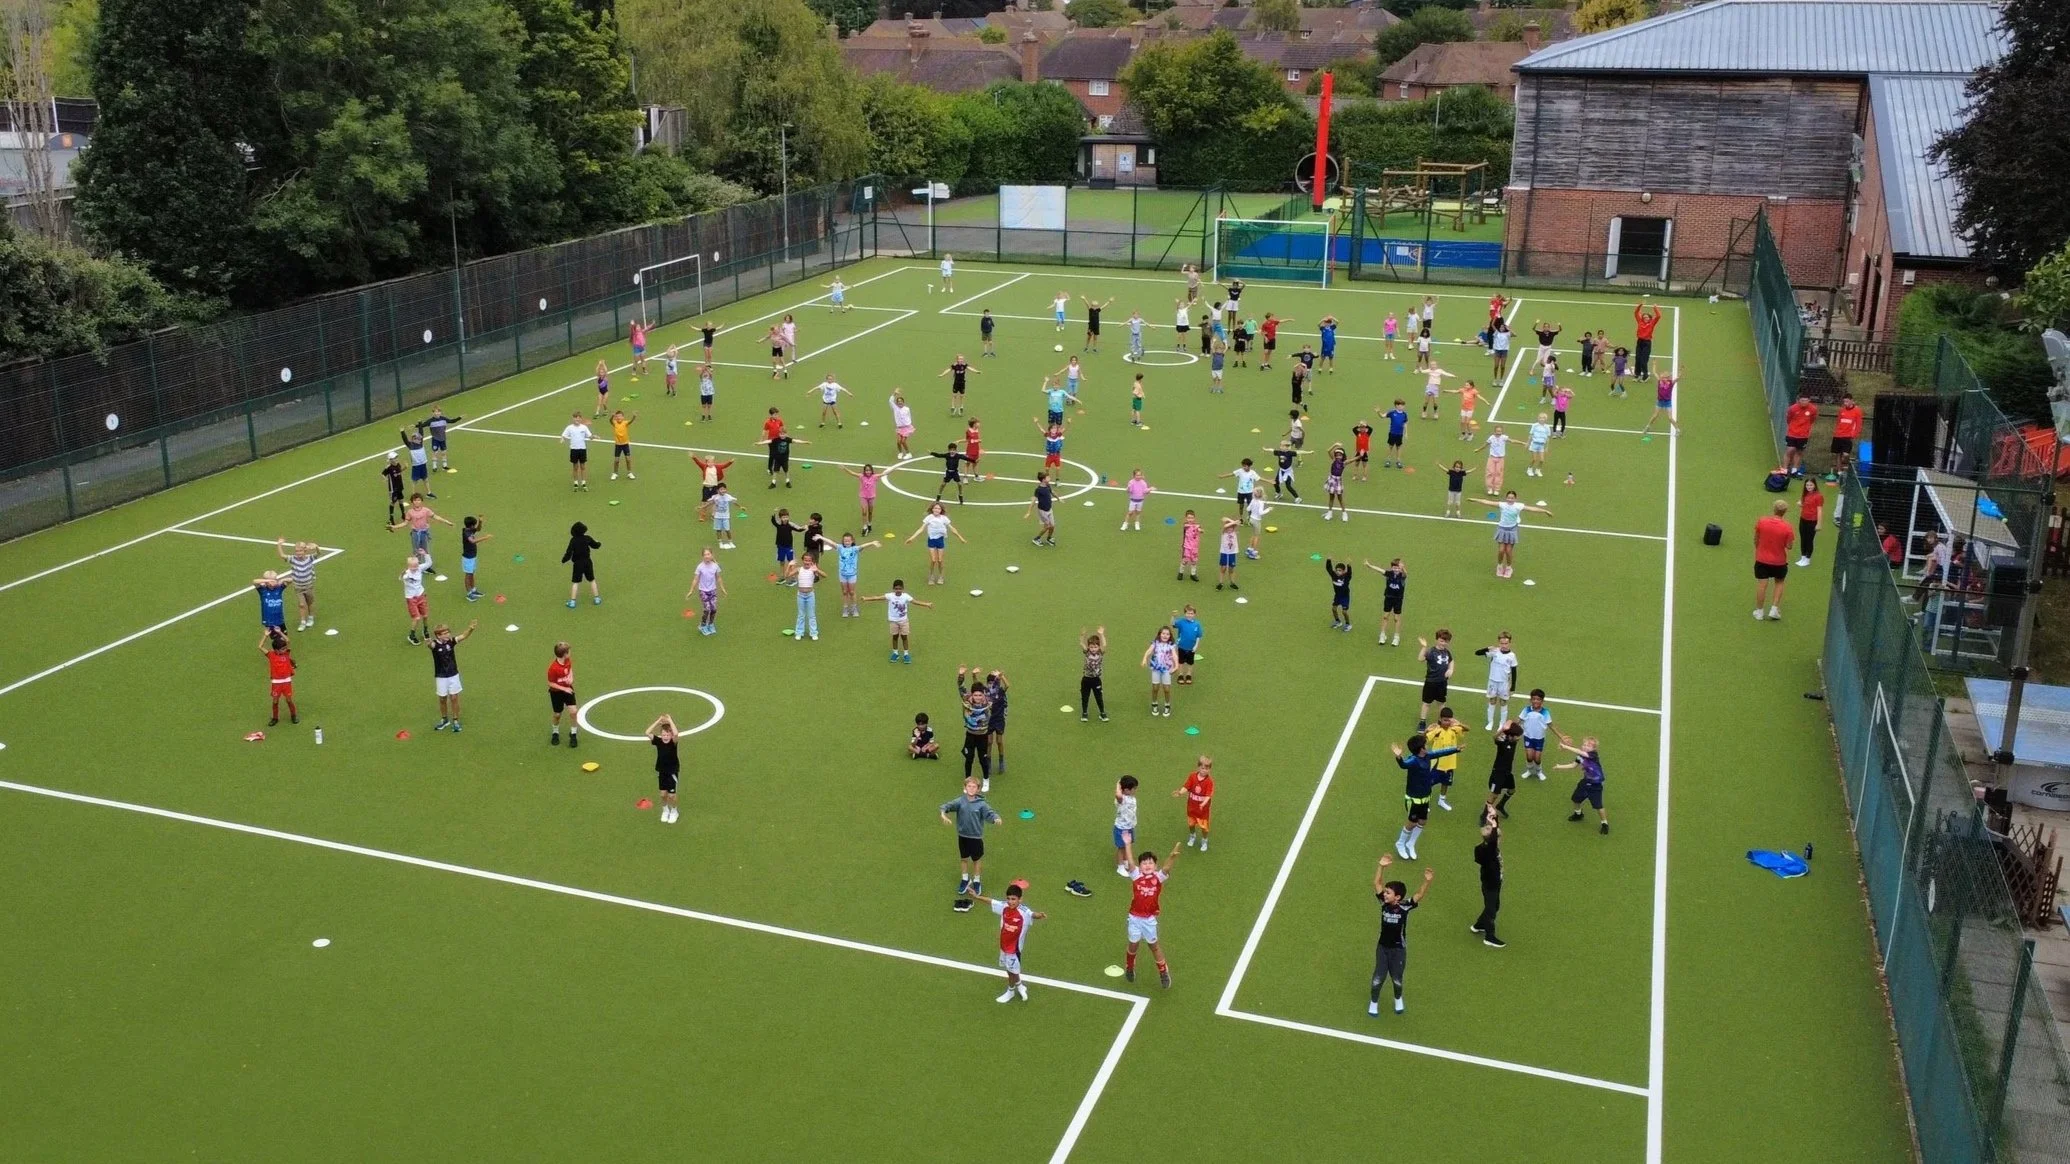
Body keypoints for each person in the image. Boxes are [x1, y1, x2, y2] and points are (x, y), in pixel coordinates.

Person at [1369, 853, 1434, 1015]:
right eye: (1385, 892)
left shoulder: (1405, 907)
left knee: (1397, 980)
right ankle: (1373, 1002)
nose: (1385, 894)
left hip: (1398, 950)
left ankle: (1398, 999)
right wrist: (1381, 867)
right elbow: (1377, 883)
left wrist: (1426, 881)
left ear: (1397, 897)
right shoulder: (1383, 904)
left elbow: (1418, 896)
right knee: (1378, 979)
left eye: (1388, 893)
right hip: (1383, 947)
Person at [970, 882, 1044, 1004]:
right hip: (1004, 946)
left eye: (1013, 899)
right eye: (1008, 899)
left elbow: (1032, 914)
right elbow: (992, 901)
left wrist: (1039, 915)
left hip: (1014, 950)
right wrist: (977, 897)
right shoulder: (1004, 907)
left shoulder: (1024, 912)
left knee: (1011, 970)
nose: (1010, 902)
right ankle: (1020, 985)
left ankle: (1010, 991)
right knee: (1010, 969)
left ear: (1020, 899)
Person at [1388, 733, 1460, 860]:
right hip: (1414, 798)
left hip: (1426, 796)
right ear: (1420, 748)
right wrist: (1399, 757)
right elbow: (1403, 765)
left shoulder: (1427, 756)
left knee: (1422, 821)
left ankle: (1411, 843)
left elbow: (1441, 753)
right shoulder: (1413, 760)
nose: (1427, 746)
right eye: (1425, 745)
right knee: (1412, 822)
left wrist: (1456, 749)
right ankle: (1400, 843)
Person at [1124, 843, 1182, 988]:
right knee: (1133, 944)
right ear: (1140, 865)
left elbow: (1166, 868)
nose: (1147, 865)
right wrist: (1127, 845)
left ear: (1155, 866)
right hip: (1134, 918)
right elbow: (1130, 863)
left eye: (1150, 862)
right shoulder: (1136, 875)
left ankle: (1163, 972)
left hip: (1149, 920)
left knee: (1154, 946)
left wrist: (1171, 857)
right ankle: (1130, 967)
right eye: (1144, 862)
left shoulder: (1158, 878)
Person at [941, 777, 1004, 896]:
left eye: (974, 787)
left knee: (976, 860)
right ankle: (965, 879)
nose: (971, 788)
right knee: (964, 859)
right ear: (965, 788)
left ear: (978, 789)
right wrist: (943, 814)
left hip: (976, 838)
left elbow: (990, 814)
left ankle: (976, 880)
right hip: (962, 836)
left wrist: (996, 818)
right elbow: (946, 806)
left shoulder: (981, 804)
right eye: (969, 786)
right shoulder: (960, 801)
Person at [1478, 491, 1552, 580]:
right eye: (1508, 497)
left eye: (1512, 498)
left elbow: (1531, 509)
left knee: (1508, 551)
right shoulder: (1502, 505)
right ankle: (1499, 566)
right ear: (1506, 498)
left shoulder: (1518, 506)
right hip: (1502, 529)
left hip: (1512, 530)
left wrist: (1545, 511)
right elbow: (1488, 502)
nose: (1510, 499)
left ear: (1515, 499)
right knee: (1501, 550)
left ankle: (1509, 568)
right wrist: (1475, 500)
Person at [425, 619, 479, 732]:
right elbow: (431, 645)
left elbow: (463, 636)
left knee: (454, 698)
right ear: (438, 636)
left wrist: (471, 629)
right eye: (444, 633)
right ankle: (444, 720)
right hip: (440, 676)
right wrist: (429, 642)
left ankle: (455, 721)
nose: (447, 635)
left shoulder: (451, 642)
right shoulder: (435, 645)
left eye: (447, 632)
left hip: (453, 674)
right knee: (442, 699)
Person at [863, 578, 933, 664]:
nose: (898, 590)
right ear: (893, 589)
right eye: (896, 588)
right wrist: (866, 598)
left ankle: (906, 654)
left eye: (900, 588)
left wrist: (926, 604)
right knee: (895, 637)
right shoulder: (890, 596)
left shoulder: (906, 596)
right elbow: (877, 598)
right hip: (893, 621)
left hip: (904, 621)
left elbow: (915, 602)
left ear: (903, 589)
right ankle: (895, 653)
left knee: (904, 637)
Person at [1552, 731, 1610, 834]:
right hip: (1585, 782)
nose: (1585, 746)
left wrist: (1565, 747)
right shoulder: (1580, 756)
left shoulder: (1593, 755)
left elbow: (1582, 752)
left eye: (1589, 745)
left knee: (1598, 806)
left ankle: (1604, 824)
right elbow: (1573, 765)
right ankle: (1578, 814)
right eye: (1584, 744)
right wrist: (1559, 766)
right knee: (1575, 799)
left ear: (1594, 749)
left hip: (1596, 786)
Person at [905, 502, 966, 586]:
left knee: (940, 560)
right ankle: (931, 576)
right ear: (932, 509)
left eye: (939, 508)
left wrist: (960, 537)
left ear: (941, 510)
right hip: (931, 540)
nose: (937, 510)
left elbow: (952, 529)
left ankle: (941, 576)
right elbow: (921, 529)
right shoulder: (929, 518)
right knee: (933, 560)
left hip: (940, 540)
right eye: (935, 508)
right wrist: (912, 538)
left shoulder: (944, 518)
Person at [954, 666, 995, 789]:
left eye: (980, 695)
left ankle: (986, 780)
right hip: (970, 735)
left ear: (983, 695)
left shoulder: (988, 701)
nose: (978, 697)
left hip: (983, 735)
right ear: (972, 694)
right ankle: (967, 782)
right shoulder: (967, 700)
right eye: (976, 695)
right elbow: (961, 687)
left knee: (983, 759)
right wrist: (961, 675)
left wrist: (997, 677)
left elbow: (994, 689)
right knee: (969, 758)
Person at [1753, 499, 1795, 620]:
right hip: (1779, 561)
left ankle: (1759, 611)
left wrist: (1759, 550)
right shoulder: (1787, 527)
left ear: (1774, 509)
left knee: (1762, 584)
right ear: (1785, 512)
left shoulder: (1762, 521)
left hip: (1762, 559)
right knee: (1779, 582)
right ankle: (1774, 609)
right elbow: (1789, 546)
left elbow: (1756, 538)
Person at [389, 492, 453, 570]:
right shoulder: (410, 512)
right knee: (416, 550)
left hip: (424, 533)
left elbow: (435, 517)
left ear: (421, 501)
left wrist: (446, 522)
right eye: (415, 500)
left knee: (425, 550)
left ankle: (427, 567)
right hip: (415, 533)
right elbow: (405, 523)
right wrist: (394, 527)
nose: (417, 502)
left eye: (418, 500)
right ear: (412, 502)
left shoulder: (426, 510)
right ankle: (416, 566)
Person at [1471, 816, 1505, 948]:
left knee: (1494, 905)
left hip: (1490, 881)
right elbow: (1494, 838)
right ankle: (1489, 937)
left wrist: (1493, 817)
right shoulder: (1490, 850)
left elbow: (1493, 836)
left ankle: (1479, 925)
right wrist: (1494, 824)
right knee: (1492, 909)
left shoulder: (1480, 848)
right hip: (1491, 883)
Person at [1475, 631, 1519, 731]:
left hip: (1504, 683)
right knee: (1492, 700)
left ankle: (1502, 724)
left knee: (1503, 702)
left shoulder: (1512, 656)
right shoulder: (1494, 652)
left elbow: (1514, 672)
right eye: (1501, 643)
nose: (1503, 645)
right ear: (1499, 643)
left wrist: (1513, 687)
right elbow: (1477, 653)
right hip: (1493, 681)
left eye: (1506, 643)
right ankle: (1490, 722)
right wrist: (1487, 648)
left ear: (1510, 643)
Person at [1427, 709, 1468, 812]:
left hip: (1450, 763)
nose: (1447, 722)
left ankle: (1441, 800)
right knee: (1428, 783)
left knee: (1446, 783)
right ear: (1440, 719)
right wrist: (1427, 730)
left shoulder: (1454, 729)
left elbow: (1467, 729)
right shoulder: (1436, 731)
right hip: (1437, 764)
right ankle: (1425, 802)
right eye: (1445, 720)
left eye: (1449, 720)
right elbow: (1424, 738)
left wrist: (1460, 723)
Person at [1175, 756, 1215, 850]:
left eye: (1207, 769)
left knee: (1204, 827)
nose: (1204, 770)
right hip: (1191, 808)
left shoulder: (1209, 782)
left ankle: (1204, 840)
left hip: (1202, 811)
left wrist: (1203, 803)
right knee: (1191, 824)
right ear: (1198, 767)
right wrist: (1180, 792)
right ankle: (1192, 836)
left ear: (1210, 769)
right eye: (1203, 768)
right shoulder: (1192, 776)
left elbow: (1208, 795)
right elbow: (1186, 787)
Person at [261, 628, 298, 726]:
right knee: (275, 700)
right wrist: (265, 635)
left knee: (289, 699)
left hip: (286, 681)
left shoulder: (286, 654)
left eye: (285, 648)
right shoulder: (271, 655)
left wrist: (279, 632)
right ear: (276, 650)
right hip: (276, 682)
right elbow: (260, 647)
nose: (285, 650)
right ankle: (275, 718)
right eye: (282, 649)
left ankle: (293, 715)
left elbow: (288, 641)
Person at [545, 641, 580, 747]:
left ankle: (573, 734)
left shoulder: (568, 661)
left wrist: (571, 678)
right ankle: (555, 732)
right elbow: (550, 683)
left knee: (573, 712)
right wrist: (564, 688)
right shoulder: (553, 668)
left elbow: (570, 670)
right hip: (556, 693)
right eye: (569, 651)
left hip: (568, 690)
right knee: (557, 714)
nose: (570, 653)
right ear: (564, 654)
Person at [1485, 721, 1522, 821]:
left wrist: (1512, 723)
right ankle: (1483, 816)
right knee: (1494, 795)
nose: (1519, 738)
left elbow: (1513, 724)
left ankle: (1500, 805)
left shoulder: (1514, 742)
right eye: (1518, 736)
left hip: (1507, 772)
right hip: (1498, 773)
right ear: (1511, 735)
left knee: (1511, 790)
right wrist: (1502, 729)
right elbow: (1494, 738)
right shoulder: (1502, 741)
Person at [1416, 630, 1454, 726]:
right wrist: (1424, 647)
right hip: (1431, 682)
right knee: (1426, 703)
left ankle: (1441, 721)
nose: (1443, 643)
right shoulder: (1431, 651)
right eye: (1441, 641)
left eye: (1446, 641)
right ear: (1437, 640)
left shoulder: (1447, 652)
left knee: (1441, 703)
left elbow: (1451, 661)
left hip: (1442, 683)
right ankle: (1422, 721)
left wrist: (1451, 670)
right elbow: (1420, 658)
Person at [783, 551, 823, 642]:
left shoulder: (813, 570)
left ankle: (813, 633)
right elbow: (786, 576)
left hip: (810, 595)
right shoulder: (798, 569)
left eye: (809, 560)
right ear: (803, 560)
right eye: (805, 560)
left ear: (812, 561)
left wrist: (817, 570)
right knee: (801, 615)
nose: (807, 562)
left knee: (811, 615)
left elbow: (825, 575)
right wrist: (789, 566)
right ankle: (799, 632)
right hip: (800, 595)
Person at [1366, 557, 1407, 646]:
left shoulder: (1402, 576)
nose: (1396, 569)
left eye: (1398, 568)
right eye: (1394, 568)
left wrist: (1402, 568)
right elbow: (1379, 570)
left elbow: (1405, 574)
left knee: (1396, 618)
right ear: (1391, 568)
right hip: (1388, 597)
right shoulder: (1389, 574)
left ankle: (1396, 637)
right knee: (1385, 616)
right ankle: (1382, 635)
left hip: (1398, 599)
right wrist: (1370, 566)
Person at [562, 521, 602, 608]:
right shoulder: (587, 538)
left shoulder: (573, 540)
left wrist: (564, 560)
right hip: (588, 562)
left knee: (576, 582)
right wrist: (599, 543)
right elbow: (595, 545)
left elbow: (569, 553)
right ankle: (597, 598)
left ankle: (572, 601)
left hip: (577, 564)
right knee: (592, 580)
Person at [1142, 625, 1179, 718]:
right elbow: (1149, 651)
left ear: (1170, 636)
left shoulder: (1171, 645)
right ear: (1159, 634)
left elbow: (1174, 656)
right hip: (1156, 668)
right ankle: (1154, 703)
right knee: (1155, 688)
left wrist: (1176, 666)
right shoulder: (1155, 643)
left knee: (1166, 689)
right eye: (1163, 633)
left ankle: (1167, 705)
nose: (1165, 636)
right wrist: (1144, 659)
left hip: (1166, 669)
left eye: (1167, 634)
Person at [757, 424, 807, 489]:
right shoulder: (776, 440)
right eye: (781, 434)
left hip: (785, 459)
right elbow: (769, 441)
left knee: (786, 470)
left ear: (786, 434)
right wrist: (760, 443)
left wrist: (804, 442)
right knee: (775, 471)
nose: (782, 435)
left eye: (783, 434)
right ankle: (773, 482)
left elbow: (796, 441)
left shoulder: (788, 439)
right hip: (777, 458)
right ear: (779, 434)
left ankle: (788, 481)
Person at [689, 547, 725, 636]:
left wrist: (722, 589)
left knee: (714, 609)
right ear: (702, 556)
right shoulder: (700, 567)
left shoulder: (715, 566)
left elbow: (718, 577)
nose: (707, 556)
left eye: (708, 554)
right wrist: (691, 590)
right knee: (707, 609)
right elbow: (695, 579)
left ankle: (711, 624)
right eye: (705, 554)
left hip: (713, 590)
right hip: (703, 591)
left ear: (711, 555)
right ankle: (702, 625)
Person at [1519, 689, 1553, 781]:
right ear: (1531, 700)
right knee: (1529, 757)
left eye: (1538, 699)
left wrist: (1561, 736)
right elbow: (1519, 721)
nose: (1535, 701)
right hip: (1528, 737)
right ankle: (1529, 771)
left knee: (1537, 758)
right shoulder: (1526, 710)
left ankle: (1539, 772)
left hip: (1539, 739)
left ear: (1542, 701)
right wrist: (1509, 730)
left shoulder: (1545, 712)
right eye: (1533, 699)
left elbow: (1551, 726)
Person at [416, 404, 459, 473]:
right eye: (435, 412)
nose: (437, 413)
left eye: (438, 412)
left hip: (443, 439)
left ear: (440, 412)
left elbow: (451, 421)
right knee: (435, 452)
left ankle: (444, 466)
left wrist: (459, 418)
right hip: (435, 439)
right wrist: (416, 425)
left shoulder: (443, 419)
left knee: (444, 452)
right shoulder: (430, 421)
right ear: (432, 413)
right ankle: (434, 466)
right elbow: (423, 425)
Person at [1080, 626, 1109, 722]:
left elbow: (1104, 644)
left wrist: (1101, 634)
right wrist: (1082, 635)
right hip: (1086, 679)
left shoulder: (1100, 653)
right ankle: (1084, 713)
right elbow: (1081, 643)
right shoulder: (1087, 652)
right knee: (1085, 696)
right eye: (1091, 647)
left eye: (1095, 647)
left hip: (1096, 679)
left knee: (1098, 697)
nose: (1093, 649)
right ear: (1089, 647)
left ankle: (1102, 713)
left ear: (1098, 647)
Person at [1831, 394, 1864, 477]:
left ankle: (1847, 467)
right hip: (1838, 435)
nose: (1845, 403)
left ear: (1852, 401)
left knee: (1846, 455)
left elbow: (1859, 424)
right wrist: (1836, 432)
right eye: (1844, 401)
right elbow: (1838, 422)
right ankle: (1839, 472)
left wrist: (1854, 434)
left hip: (1848, 436)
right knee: (1838, 454)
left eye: (1847, 401)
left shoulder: (1857, 411)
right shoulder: (1841, 410)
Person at [693, 455, 733, 523]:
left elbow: (724, 465)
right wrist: (694, 457)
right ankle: (702, 515)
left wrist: (730, 462)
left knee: (715, 501)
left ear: (714, 462)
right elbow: (698, 463)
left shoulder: (717, 467)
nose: (710, 464)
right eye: (709, 462)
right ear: (706, 463)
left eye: (712, 462)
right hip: (706, 487)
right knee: (704, 502)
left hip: (714, 487)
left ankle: (713, 515)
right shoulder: (704, 467)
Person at [400, 553, 430, 644]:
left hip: (421, 595)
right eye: (413, 566)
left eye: (416, 566)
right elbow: (402, 577)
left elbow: (429, 563)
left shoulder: (419, 568)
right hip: (411, 599)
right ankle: (411, 635)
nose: (415, 568)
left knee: (425, 615)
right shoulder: (407, 574)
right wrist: (403, 574)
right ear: (409, 566)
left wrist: (425, 554)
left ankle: (425, 631)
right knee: (416, 618)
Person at [458, 516, 490, 602]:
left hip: (472, 556)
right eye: (474, 525)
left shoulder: (470, 529)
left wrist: (480, 522)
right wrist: (485, 538)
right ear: (471, 525)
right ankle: (469, 594)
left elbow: (478, 529)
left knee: (471, 573)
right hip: (468, 557)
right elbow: (472, 541)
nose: (475, 526)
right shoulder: (466, 532)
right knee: (468, 574)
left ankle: (473, 590)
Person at [559, 413, 593, 490]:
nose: (577, 419)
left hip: (582, 449)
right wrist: (562, 439)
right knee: (575, 467)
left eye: (578, 418)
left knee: (583, 466)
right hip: (574, 449)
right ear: (573, 419)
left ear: (581, 419)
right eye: (575, 418)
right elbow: (564, 435)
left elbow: (590, 436)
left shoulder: (584, 427)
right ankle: (576, 483)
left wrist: (594, 437)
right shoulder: (569, 428)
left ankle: (583, 483)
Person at [399, 425, 434, 498]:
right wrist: (402, 432)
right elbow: (405, 439)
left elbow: (421, 433)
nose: (420, 440)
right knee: (414, 481)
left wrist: (420, 424)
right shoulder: (410, 445)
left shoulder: (421, 444)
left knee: (426, 479)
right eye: (418, 439)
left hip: (423, 464)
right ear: (413, 439)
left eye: (420, 438)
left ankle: (429, 492)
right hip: (416, 466)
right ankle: (413, 494)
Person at [1171, 604, 1203, 685]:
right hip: (1181, 646)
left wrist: (1196, 646)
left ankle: (1189, 674)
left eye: (1191, 613)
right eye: (1188, 613)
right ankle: (1181, 674)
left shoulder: (1197, 624)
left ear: (1194, 614)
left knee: (1190, 662)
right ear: (1185, 614)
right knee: (1181, 661)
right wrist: (1173, 617)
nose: (1189, 615)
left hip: (1191, 648)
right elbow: (1173, 624)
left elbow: (1198, 636)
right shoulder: (1181, 622)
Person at [1797, 477, 1825, 567]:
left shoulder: (1818, 496)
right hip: (1803, 519)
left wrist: (1819, 523)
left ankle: (1807, 559)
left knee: (1809, 540)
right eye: (1807, 485)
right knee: (1803, 539)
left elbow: (1819, 510)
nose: (1809, 487)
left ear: (1814, 485)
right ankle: (1803, 557)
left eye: (1811, 485)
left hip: (1812, 521)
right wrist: (1801, 504)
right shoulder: (1805, 494)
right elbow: (1804, 504)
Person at [1640, 373, 1679, 438]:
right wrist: (1654, 365)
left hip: (1667, 402)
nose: (1662, 378)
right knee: (1655, 416)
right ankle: (1647, 427)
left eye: (1663, 377)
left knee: (1670, 418)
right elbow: (1655, 373)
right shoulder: (1660, 382)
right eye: (1661, 377)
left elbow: (1677, 378)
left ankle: (1677, 430)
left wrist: (1680, 372)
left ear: (1667, 378)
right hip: (1660, 402)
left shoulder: (1671, 383)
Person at [1025, 471, 1058, 547]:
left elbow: (1052, 492)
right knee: (1047, 526)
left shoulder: (1048, 485)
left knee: (1052, 526)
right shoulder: (1039, 490)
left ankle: (1049, 538)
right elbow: (1033, 501)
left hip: (1049, 509)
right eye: (1048, 477)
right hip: (1042, 511)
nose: (1049, 478)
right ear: (1043, 479)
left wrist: (1058, 498)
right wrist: (1029, 512)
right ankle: (1036, 539)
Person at [1633, 301, 1662, 380]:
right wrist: (1640, 305)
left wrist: (1655, 307)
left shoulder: (1652, 323)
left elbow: (1658, 316)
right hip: (1639, 342)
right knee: (1638, 359)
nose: (1645, 318)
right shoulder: (1640, 322)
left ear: (1650, 318)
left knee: (1643, 360)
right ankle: (1637, 374)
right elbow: (1636, 313)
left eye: (1647, 317)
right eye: (1644, 317)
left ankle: (1645, 375)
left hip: (1647, 343)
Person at [1324, 557, 1354, 631]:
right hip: (1337, 595)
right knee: (1334, 609)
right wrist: (1328, 560)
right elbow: (1328, 568)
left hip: (1345, 596)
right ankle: (1338, 621)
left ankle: (1348, 624)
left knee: (1344, 612)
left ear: (1343, 571)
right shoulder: (1334, 575)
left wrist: (1349, 566)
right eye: (1337, 570)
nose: (1338, 572)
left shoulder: (1346, 577)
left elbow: (1349, 573)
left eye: (1340, 570)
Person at [608, 410, 639, 480]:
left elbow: (630, 422)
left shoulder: (625, 423)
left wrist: (634, 417)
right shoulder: (615, 423)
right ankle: (615, 473)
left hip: (625, 444)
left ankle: (629, 473)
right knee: (616, 460)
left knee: (628, 459)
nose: (619, 418)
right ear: (615, 418)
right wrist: (612, 416)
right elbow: (610, 421)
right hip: (618, 445)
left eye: (620, 416)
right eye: (617, 416)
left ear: (623, 417)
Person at [1322, 444, 1349, 521]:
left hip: (1338, 481)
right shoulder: (1334, 460)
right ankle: (1330, 512)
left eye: (1340, 455)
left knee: (1340, 498)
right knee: (1331, 497)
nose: (1338, 456)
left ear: (1343, 456)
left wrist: (1360, 456)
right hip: (1332, 480)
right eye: (1337, 455)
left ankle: (1344, 513)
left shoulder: (1344, 463)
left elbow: (1353, 460)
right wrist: (1335, 445)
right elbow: (1328, 451)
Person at [710, 483, 741, 551]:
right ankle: (720, 542)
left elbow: (733, 502)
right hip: (717, 516)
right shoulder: (715, 497)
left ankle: (730, 542)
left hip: (726, 516)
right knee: (718, 530)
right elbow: (710, 503)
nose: (723, 490)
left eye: (724, 489)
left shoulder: (728, 496)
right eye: (721, 489)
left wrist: (740, 507)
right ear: (718, 490)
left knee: (727, 529)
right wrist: (702, 507)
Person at [1381, 399, 1409, 470]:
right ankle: (1388, 460)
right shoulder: (1392, 413)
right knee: (1390, 446)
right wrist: (1378, 412)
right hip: (1392, 433)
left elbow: (1405, 423)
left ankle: (1398, 461)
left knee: (1398, 447)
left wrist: (1406, 433)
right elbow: (1382, 416)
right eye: (1401, 405)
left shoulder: (1404, 414)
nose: (1403, 407)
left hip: (1400, 434)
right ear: (1396, 405)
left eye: (1403, 405)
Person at [1216, 516, 1242, 590]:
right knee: (1223, 568)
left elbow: (1239, 522)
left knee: (1231, 569)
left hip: (1232, 553)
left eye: (1231, 527)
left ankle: (1232, 583)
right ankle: (1220, 583)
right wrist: (1230, 522)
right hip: (1224, 552)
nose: (1229, 529)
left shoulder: (1234, 532)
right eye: (1228, 528)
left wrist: (1229, 520)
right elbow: (1225, 526)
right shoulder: (1224, 533)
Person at [1176, 510, 1202, 581]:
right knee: (1185, 560)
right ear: (1186, 518)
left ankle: (1193, 574)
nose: (1190, 519)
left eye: (1192, 518)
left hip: (1194, 548)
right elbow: (1186, 526)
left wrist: (1199, 529)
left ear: (1194, 518)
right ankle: (1180, 573)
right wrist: (1195, 526)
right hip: (1187, 547)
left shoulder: (1197, 526)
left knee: (1194, 561)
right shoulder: (1186, 525)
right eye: (1189, 518)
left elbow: (1200, 530)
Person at [1527, 413, 1553, 480]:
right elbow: (1531, 435)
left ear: (1545, 419)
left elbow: (1547, 438)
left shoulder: (1547, 427)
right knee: (1534, 459)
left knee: (1542, 460)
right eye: (1540, 418)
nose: (1541, 419)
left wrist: (1547, 447)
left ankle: (1538, 470)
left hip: (1541, 445)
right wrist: (1528, 443)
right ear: (1538, 418)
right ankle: (1529, 469)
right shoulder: (1534, 425)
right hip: (1534, 444)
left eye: (1543, 418)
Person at [382, 453, 406, 524]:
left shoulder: (398, 464)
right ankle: (391, 518)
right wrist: (385, 479)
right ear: (390, 460)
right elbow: (383, 474)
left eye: (396, 457)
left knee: (401, 500)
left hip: (400, 486)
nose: (396, 459)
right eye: (394, 458)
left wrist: (405, 468)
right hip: (393, 489)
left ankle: (403, 515)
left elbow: (399, 471)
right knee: (393, 502)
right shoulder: (389, 467)